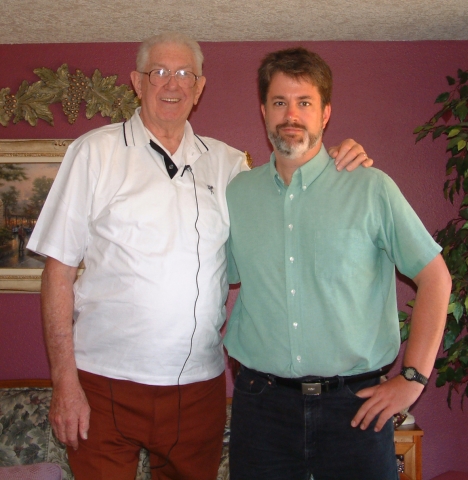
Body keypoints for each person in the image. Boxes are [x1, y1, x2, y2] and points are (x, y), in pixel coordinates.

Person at [28, 34, 371, 480]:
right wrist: (64, 383)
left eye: (185, 73)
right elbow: (57, 271)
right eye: (159, 72)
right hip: (103, 382)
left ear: (200, 86)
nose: (173, 84)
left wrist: (339, 166)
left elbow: (289, 212)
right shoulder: (94, 152)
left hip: (197, 390)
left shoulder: (229, 165)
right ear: (137, 81)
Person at [224, 47, 452, 480]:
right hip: (262, 408)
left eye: (304, 102)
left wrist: (413, 379)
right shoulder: (238, 194)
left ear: (325, 113)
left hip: (356, 406)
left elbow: (436, 279)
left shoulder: (371, 188)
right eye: (279, 102)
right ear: (263, 111)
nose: (291, 114)